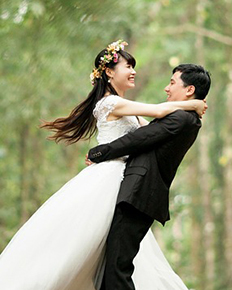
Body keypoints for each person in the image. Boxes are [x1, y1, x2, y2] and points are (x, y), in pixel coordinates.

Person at [0, 40, 207, 290]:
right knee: (86, 253)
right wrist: (191, 104)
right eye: (127, 66)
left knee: (112, 258)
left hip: (125, 182)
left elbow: (148, 133)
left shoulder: (128, 107)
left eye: (133, 66)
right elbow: (157, 112)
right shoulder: (110, 103)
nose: (133, 71)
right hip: (108, 180)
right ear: (109, 72)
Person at [88, 63, 211, 290]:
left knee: (117, 268)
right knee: (114, 266)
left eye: (172, 83)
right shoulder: (185, 117)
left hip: (139, 194)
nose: (167, 88)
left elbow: (139, 138)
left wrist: (99, 152)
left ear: (189, 90)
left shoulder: (182, 119)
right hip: (137, 194)